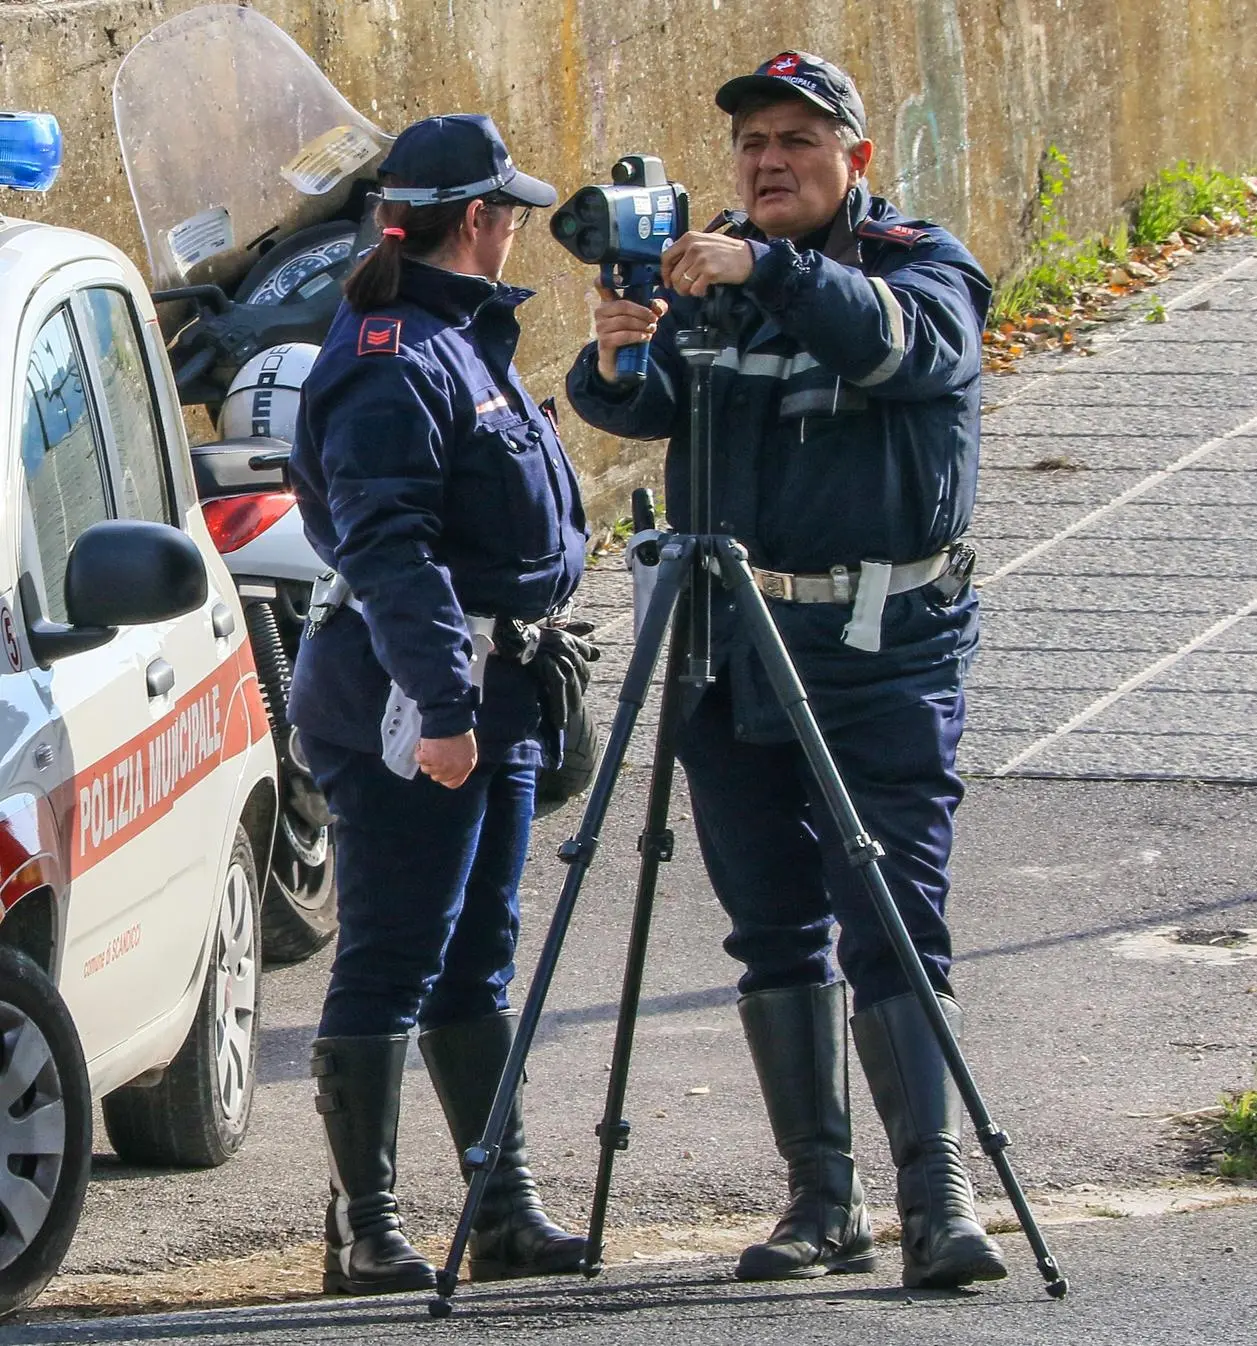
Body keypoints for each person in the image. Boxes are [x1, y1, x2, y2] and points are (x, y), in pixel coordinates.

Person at [565, 51, 1008, 1291]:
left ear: (855, 161)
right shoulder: (715, 265)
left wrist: (765, 268)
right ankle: (825, 1198)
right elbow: (644, 408)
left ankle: (941, 1196)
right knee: (772, 927)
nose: (768, 162)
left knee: (896, 917)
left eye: (798, 142)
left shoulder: (920, 265)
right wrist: (618, 355)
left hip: (880, 651)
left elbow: (903, 350)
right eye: (754, 143)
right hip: (729, 647)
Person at [286, 113, 597, 1295]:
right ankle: (365, 1226)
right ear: (480, 220)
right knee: (395, 951)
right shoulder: (391, 356)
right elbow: (391, 550)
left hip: (493, 683)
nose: (518, 225)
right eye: (510, 209)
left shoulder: (463, 339)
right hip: (412, 694)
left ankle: (501, 1203)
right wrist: (446, 705)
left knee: (481, 952)